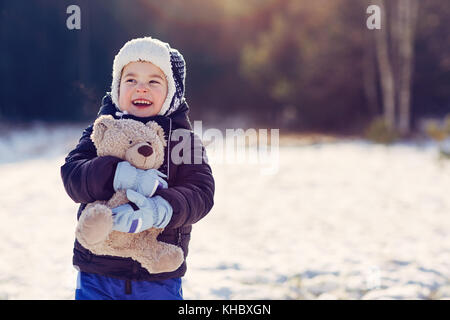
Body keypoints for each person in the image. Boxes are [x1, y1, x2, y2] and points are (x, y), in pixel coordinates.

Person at [60, 37, 215, 300]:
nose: (141, 88)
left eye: (153, 81)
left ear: (172, 93)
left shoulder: (183, 140)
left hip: (156, 275)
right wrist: (115, 174)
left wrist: (162, 209)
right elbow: (73, 175)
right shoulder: (101, 131)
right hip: (97, 270)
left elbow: (201, 192)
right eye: (130, 80)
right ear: (117, 88)